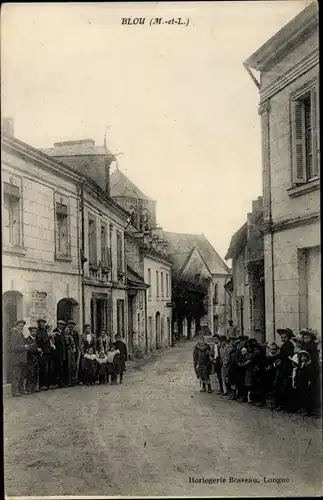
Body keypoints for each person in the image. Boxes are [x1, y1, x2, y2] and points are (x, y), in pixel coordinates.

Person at [36, 320, 56, 390]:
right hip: (43, 352)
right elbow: (41, 340)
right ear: (39, 324)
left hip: (49, 352)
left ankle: (49, 384)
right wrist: (49, 336)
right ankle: (42, 385)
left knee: (50, 369)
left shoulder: (45, 331)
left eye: (43, 323)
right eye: (41, 323)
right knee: (43, 369)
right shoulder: (38, 332)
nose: (42, 325)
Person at [10, 320, 28, 397]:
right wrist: (24, 347)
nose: (21, 327)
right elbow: (13, 347)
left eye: (22, 326)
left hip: (22, 358)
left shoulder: (20, 334)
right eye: (20, 326)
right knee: (16, 375)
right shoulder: (14, 334)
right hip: (16, 358)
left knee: (21, 375)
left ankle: (21, 390)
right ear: (16, 326)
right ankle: (15, 391)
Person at [25, 326, 42, 394]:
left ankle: (34, 387)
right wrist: (37, 350)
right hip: (30, 359)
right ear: (30, 332)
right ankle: (28, 388)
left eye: (35, 331)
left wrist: (40, 351)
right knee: (29, 374)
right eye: (33, 331)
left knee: (35, 373)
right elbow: (28, 350)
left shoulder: (36, 340)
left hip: (36, 359)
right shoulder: (27, 339)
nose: (34, 333)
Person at [53, 320, 67, 388]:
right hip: (57, 352)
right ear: (57, 325)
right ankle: (57, 382)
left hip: (62, 352)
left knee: (62, 367)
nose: (61, 326)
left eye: (63, 325)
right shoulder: (55, 332)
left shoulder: (63, 332)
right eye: (60, 324)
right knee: (57, 367)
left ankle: (61, 382)